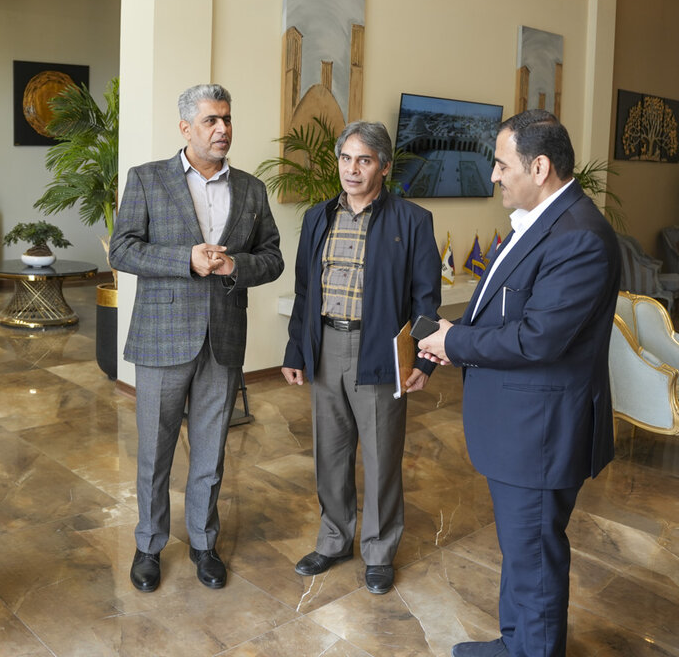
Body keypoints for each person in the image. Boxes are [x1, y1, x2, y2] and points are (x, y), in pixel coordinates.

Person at [416, 110, 621, 657]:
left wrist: (457, 343)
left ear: (539, 167)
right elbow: (502, 310)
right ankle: (515, 645)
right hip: (521, 429)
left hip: (540, 434)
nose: (494, 176)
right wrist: (452, 337)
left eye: (502, 165)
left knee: (534, 559)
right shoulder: (539, 220)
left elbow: (538, 340)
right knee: (522, 548)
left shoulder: (579, 237)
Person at [109, 83, 284, 593]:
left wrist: (235, 266)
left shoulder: (251, 189)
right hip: (162, 336)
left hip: (223, 338)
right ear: (186, 128)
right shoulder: (146, 179)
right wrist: (183, 258)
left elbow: (272, 258)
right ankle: (149, 545)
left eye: (227, 119)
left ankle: (205, 543)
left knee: (211, 452)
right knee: (154, 451)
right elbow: (122, 250)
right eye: (211, 120)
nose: (223, 129)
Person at [281, 121, 441, 595]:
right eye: (346, 158)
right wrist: (295, 349)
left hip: (379, 350)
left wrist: (424, 361)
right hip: (326, 345)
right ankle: (334, 540)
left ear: (384, 167)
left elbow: (426, 300)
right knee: (330, 453)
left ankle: (379, 550)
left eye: (364, 160)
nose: (352, 169)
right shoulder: (317, 217)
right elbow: (305, 290)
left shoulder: (412, 221)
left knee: (381, 455)